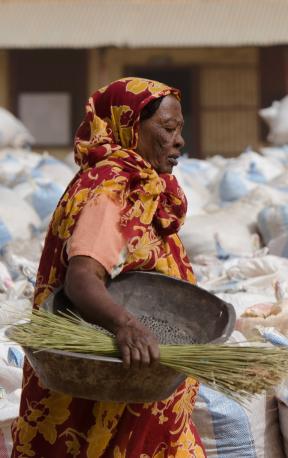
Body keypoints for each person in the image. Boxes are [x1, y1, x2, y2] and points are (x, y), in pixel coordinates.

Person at [12, 78, 205, 457]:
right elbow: (83, 278)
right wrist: (128, 327)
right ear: (129, 127)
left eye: (180, 129)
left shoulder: (139, 183)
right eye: (167, 129)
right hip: (116, 385)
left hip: (139, 383)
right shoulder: (111, 188)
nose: (179, 141)